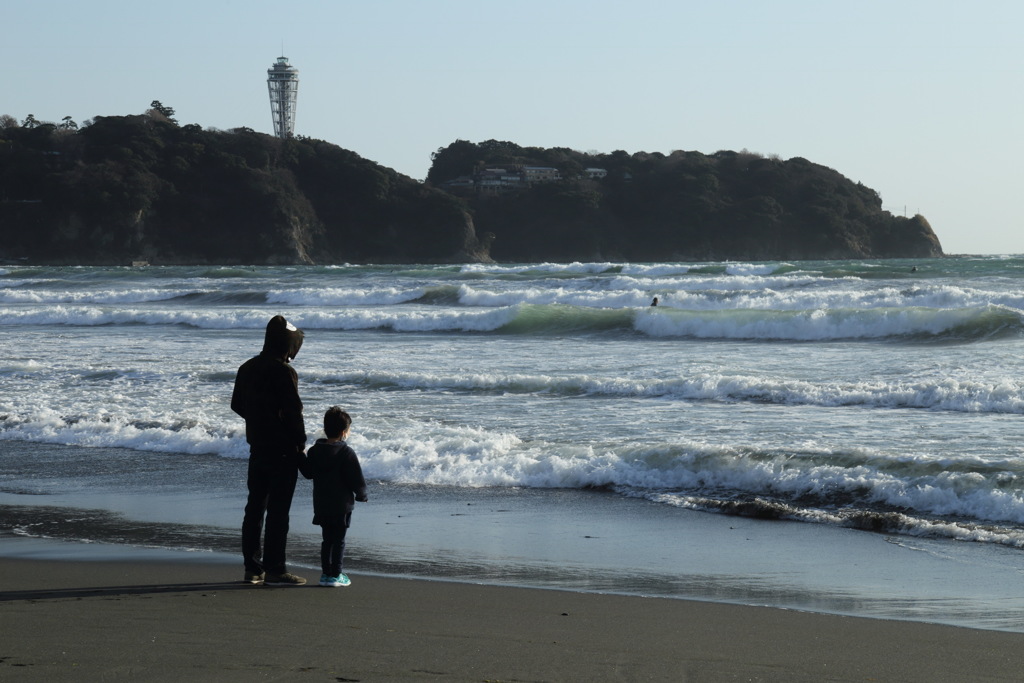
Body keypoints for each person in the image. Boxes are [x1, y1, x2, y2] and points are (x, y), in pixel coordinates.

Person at [231, 315, 308, 586]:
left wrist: (259, 421)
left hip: (258, 447)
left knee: (255, 508)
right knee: (278, 511)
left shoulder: (247, 367)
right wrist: (300, 441)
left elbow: (237, 405)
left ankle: (252, 569)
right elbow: (293, 412)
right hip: (283, 450)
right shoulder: (284, 372)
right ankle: (276, 569)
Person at [300, 407, 368, 587]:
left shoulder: (315, 451)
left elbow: (307, 473)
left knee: (327, 539)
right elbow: (356, 478)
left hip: (322, 504)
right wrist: (362, 494)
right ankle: (336, 575)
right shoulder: (346, 452)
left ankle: (326, 574)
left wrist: (299, 455)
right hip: (341, 505)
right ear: (344, 432)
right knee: (339, 540)